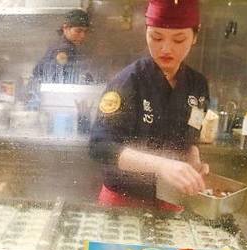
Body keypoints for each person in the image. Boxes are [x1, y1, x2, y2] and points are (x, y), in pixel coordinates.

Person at [89, 0, 209, 209]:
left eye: (179, 40)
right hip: (123, 200)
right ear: (146, 33)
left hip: (173, 199)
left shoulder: (197, 84)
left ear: (195, 37)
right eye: (156, 37)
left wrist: (193, 160)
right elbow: (100, 146)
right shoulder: (128, 81)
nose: (166, 48)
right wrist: (162, 166)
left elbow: (190, 136)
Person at [27, 9, 94, 107]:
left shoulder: (63, 46)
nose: (83, 35)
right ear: (65, 28)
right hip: (50, 101)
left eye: (85, 31)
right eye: (78, 31)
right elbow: (60, 80)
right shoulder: (63, 49)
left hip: (49, 99)